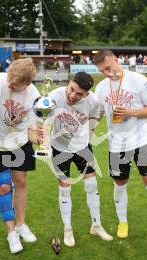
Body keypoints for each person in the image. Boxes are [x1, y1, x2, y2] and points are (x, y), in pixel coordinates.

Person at [93, 50, 147, 250]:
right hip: (117, 144)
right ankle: (123, 222)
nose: (107, 73)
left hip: (142, 140)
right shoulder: (101, 88)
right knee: (120, 182)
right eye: (102, 71)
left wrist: (130, 112)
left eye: (109, 68)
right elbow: (97, 114)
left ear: (116, 61)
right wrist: (87, 129)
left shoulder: (138, 80)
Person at [39, 72, 113, 247]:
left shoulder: (93, 100)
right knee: (65, 188)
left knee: (92, 185)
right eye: (71, 89)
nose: (72, 96)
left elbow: (97, 114)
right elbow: (46, 121)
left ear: (86, 94)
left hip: (82, 147)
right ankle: (68, 229)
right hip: (59, 148)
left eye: (78, 93)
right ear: (69, 83)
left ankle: (96, 225)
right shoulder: (56, 95)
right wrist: (46, 144)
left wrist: (90, 132)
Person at [0, 58, 40, 254]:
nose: (10, 84)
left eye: (16, 83)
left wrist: (40, 138)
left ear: (28, 83)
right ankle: (11, 233)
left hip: (20, 142)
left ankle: (21, 225)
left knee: (20, 182)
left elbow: (32, 130)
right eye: (10, 79)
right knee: (3, 187)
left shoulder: (33, 95)